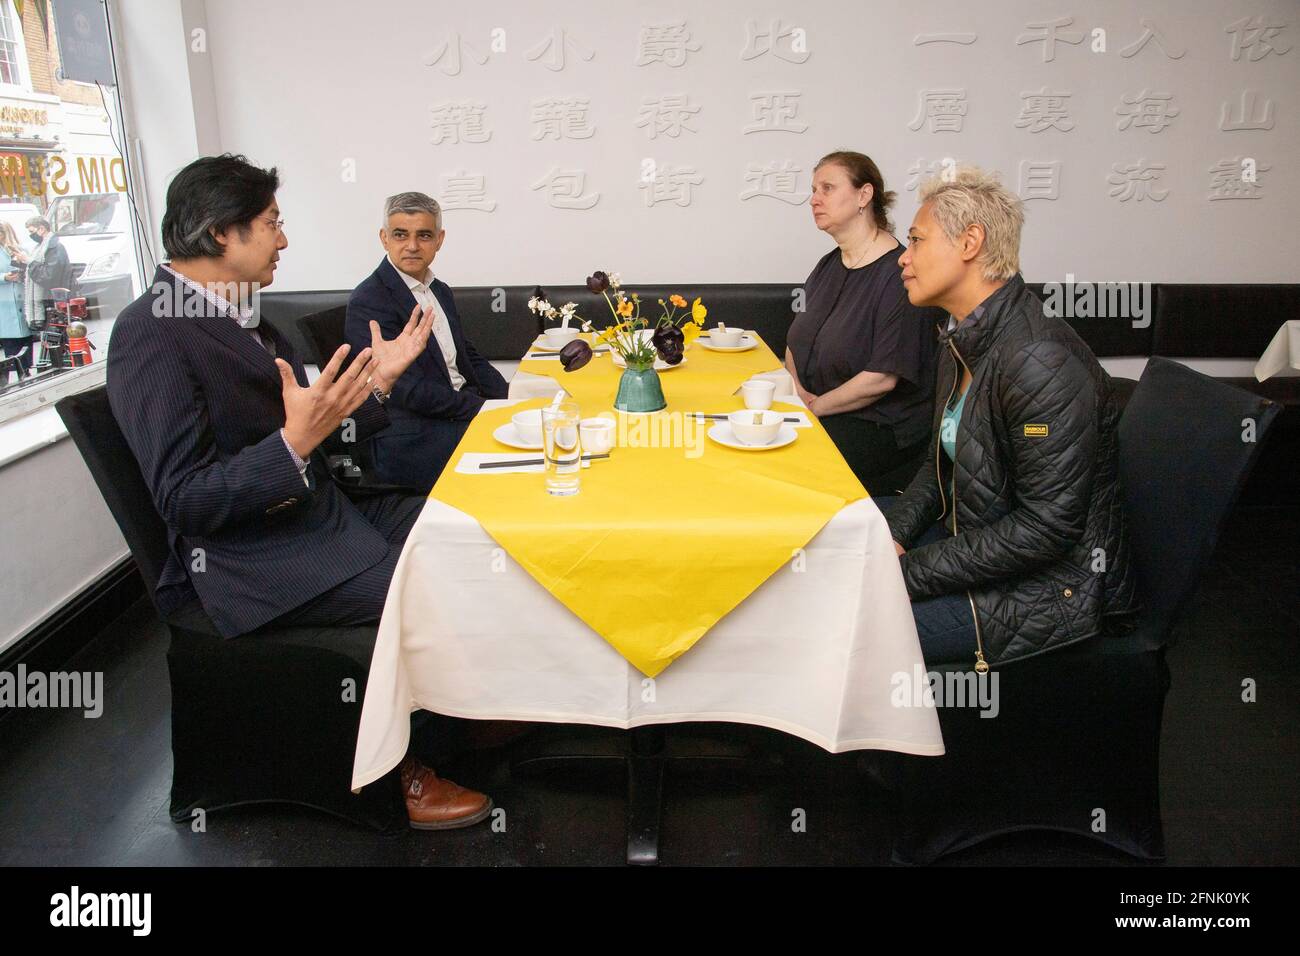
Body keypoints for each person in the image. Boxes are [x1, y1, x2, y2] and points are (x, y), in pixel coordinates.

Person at [106, 154, 493, 830]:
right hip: (237, 559)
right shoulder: (150, 333)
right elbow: (185, 500)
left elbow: (318, 422)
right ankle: (391, 771)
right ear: (222, 232)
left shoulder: (247, 316)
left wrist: (377, 386)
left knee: (461, 530)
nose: (283, 240)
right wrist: (290, 447)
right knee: (414, 588)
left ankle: (458, 712)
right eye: (270, 224)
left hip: (315, 512)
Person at [884, 165, 1138, 670]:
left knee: (850, 624)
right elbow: (940, 468)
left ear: (970, 242)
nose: (903, 258)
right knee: (837, 543)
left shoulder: (1037, 357)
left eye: (915, 240)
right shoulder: (962, 337)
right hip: (976, 540)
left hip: (1050, 590)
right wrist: (894, 537)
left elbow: (1046, 529)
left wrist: (908, 572)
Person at [785, 151, 943, 494]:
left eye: (827, 188)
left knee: (784, 462)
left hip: (877, 426)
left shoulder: (901, 276)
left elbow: (882, 378)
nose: (814, 199)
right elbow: (795, 341)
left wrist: (812, 407)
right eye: (813, 190)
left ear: (864, 195)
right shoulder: (827, 265)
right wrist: (797, 394)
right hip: (817, 410)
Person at [345, 192, 509, 493]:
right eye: (400, 235)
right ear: (384, 238)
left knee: (537, 426)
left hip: (454, 412)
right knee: (521, 452)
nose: (412, 246)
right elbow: (409, 391)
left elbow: (467, 356)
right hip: (410, 434)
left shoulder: (440, 290)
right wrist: (487, 409)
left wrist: (509, 399)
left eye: (423, 235)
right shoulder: (370, 300)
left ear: (439, 239)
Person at [22, 215, 74, 331]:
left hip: (53, 301)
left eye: (31, 231)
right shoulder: (41, 247)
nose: (30, 235)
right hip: (49, 301)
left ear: (41, 229)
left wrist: (29, 262)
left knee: (54, 338)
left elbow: (49, 276)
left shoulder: (53, 247)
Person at [0, 221, 31, 380]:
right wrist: (4, 277)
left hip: (20, 298)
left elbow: (31, 266)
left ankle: (26, 370)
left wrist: (21, 272)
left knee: (25, 337)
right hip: (4, 303)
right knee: (10, 339)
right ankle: (14, 370)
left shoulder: (20, 249)